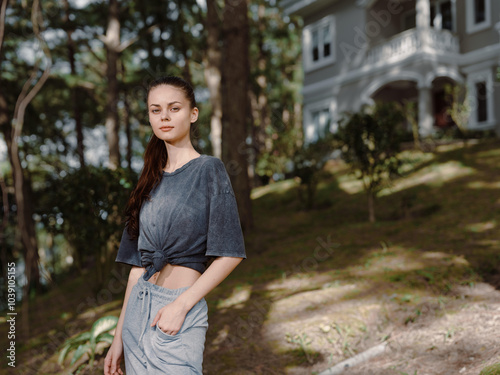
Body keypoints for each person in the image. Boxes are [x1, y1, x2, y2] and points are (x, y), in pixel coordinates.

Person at [104, 76, 246, 375]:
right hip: (137, 312)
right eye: (155, 110)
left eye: (174, 108)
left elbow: (230, 254)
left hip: (176, 311)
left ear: (193, 114)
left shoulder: (209, 169)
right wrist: (118, 337)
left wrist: (181, 306)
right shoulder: (147, 182)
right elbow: (137, 268)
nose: (164, 116)